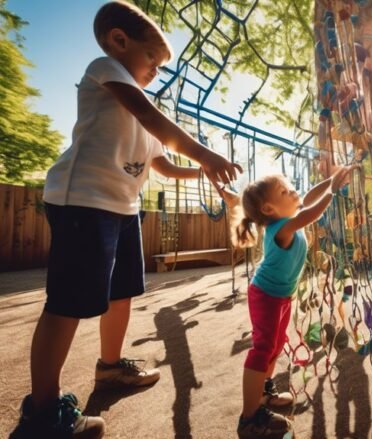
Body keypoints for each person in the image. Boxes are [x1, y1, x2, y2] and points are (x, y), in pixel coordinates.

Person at [10, 2, 242, 438]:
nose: (155, 70)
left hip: (122, 208)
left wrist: (206, 172)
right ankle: (42, 416)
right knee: (67, 305)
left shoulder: (140, 100)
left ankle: (110, 368)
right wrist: (208, 153)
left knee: (122, 294)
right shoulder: (106, 71)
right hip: (84, 201)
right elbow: (150, 116)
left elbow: (165, 166)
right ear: (119, 41)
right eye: (152, 59)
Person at [223, 165, 357, 438]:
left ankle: (264, 392)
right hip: (265, 295)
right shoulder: (281, 228)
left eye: (289, 186)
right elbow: (310, 213)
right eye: (284, 191)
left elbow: (307, 198)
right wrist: (332, 192)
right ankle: (249, 419)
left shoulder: (288, 215)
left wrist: (330, 180)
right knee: (263, 348)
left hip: (281, 295)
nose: (293, 191)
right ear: (270, 210)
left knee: (276, 344)